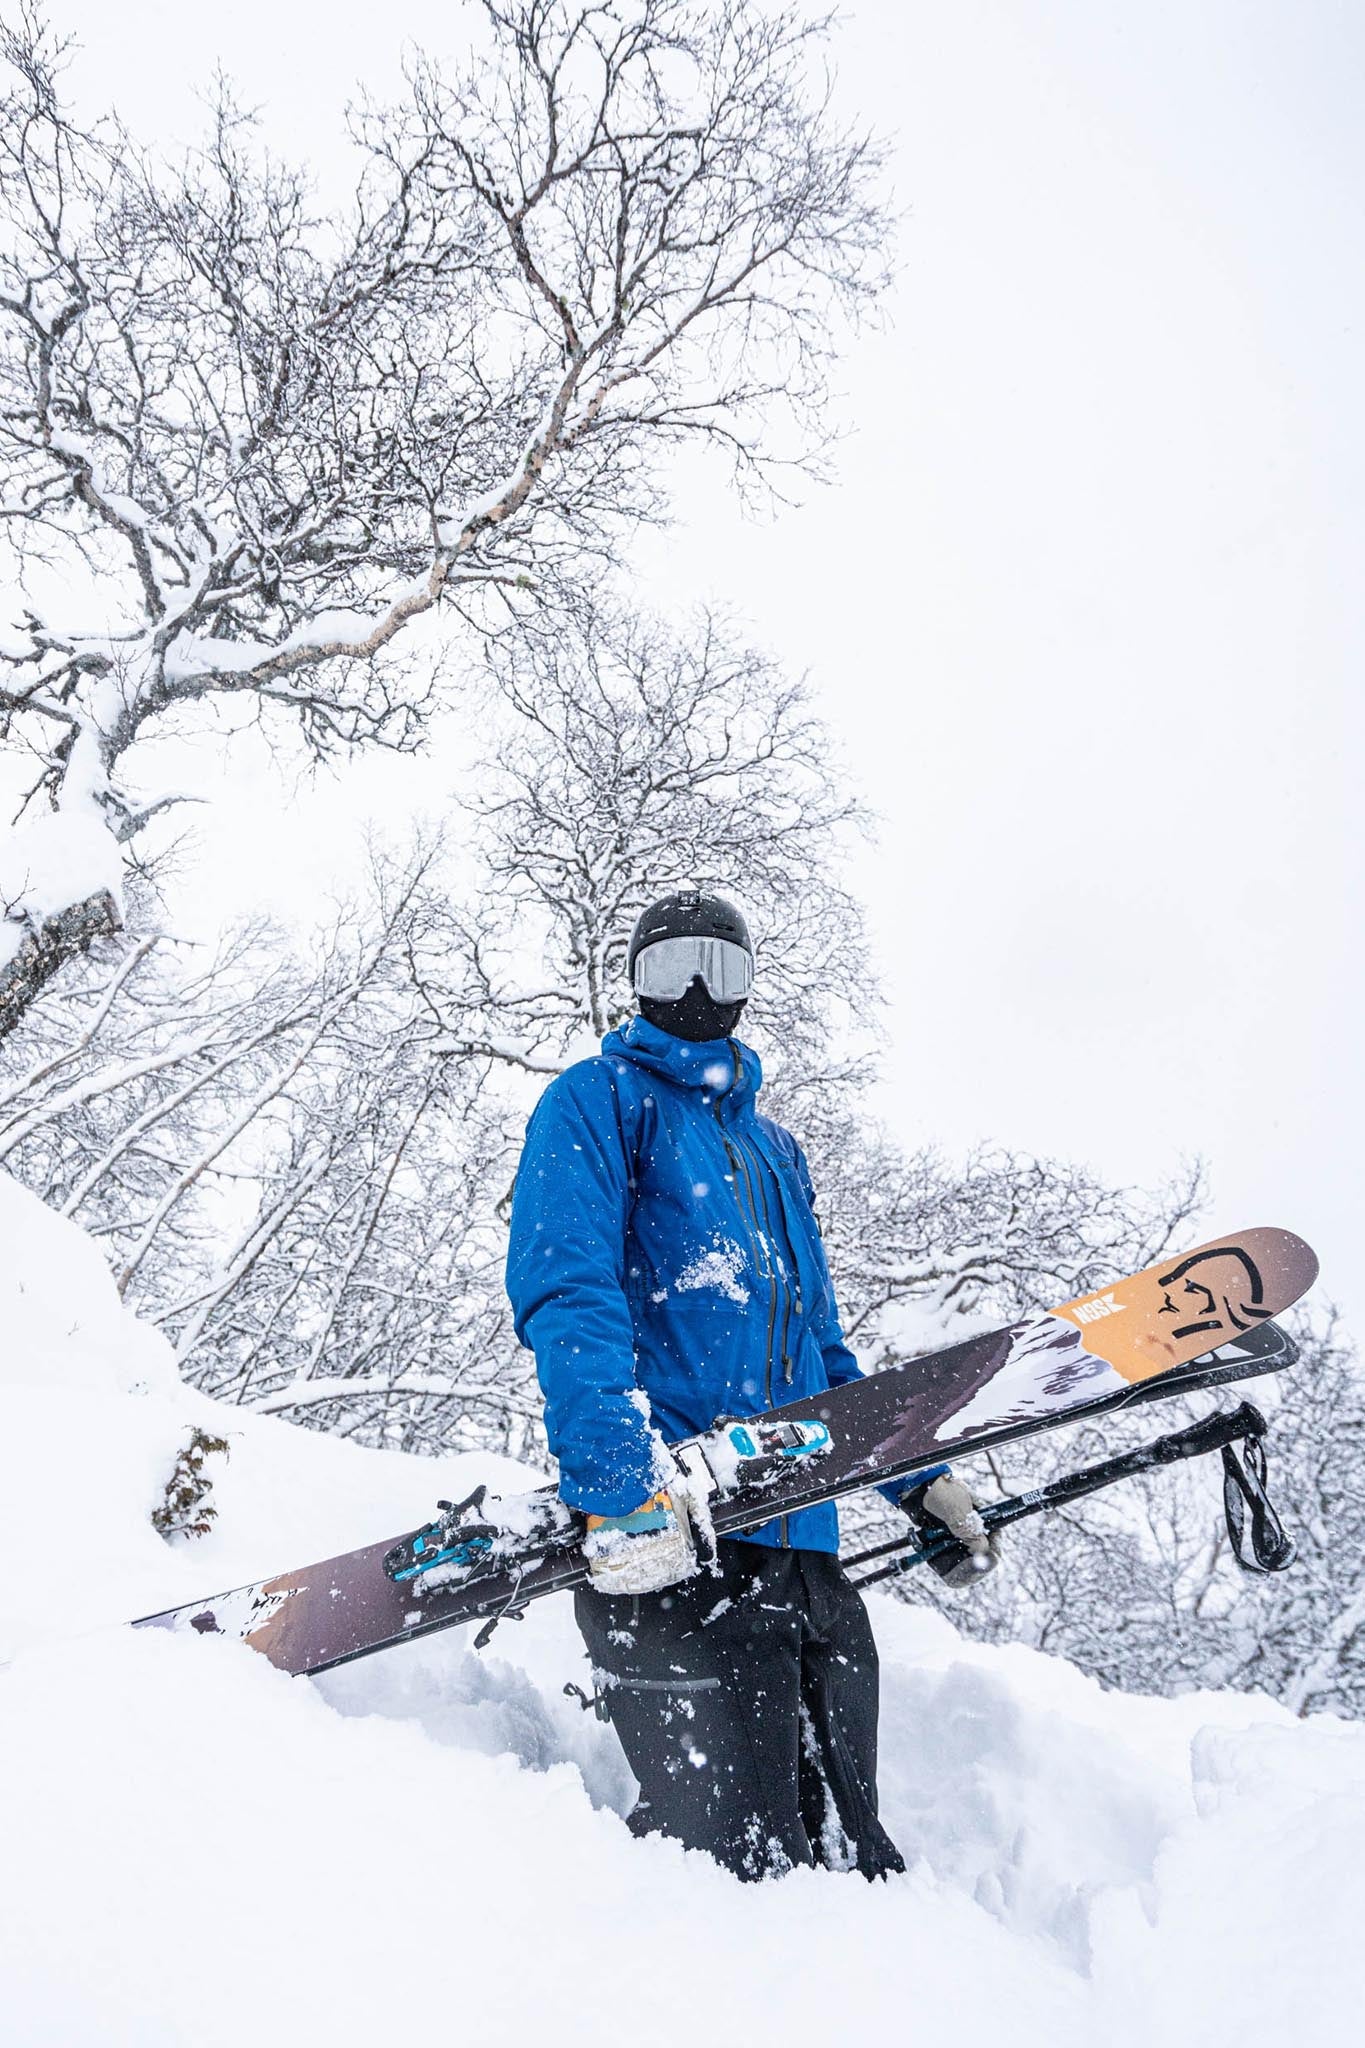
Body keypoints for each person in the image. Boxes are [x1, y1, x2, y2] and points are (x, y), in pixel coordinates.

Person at [506, 889, 999, 1881]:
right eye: (672, 966)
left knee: (851, 1861)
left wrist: (915, 1478)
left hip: (807, 1557)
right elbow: (571, 1289)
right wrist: (618, 1484)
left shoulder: (776, 1153)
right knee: (731, 1876)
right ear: (636, 983)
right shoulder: (599, 1102)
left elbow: (822, 1349)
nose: (695, 989)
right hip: (676, 1549)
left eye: (719, 967)